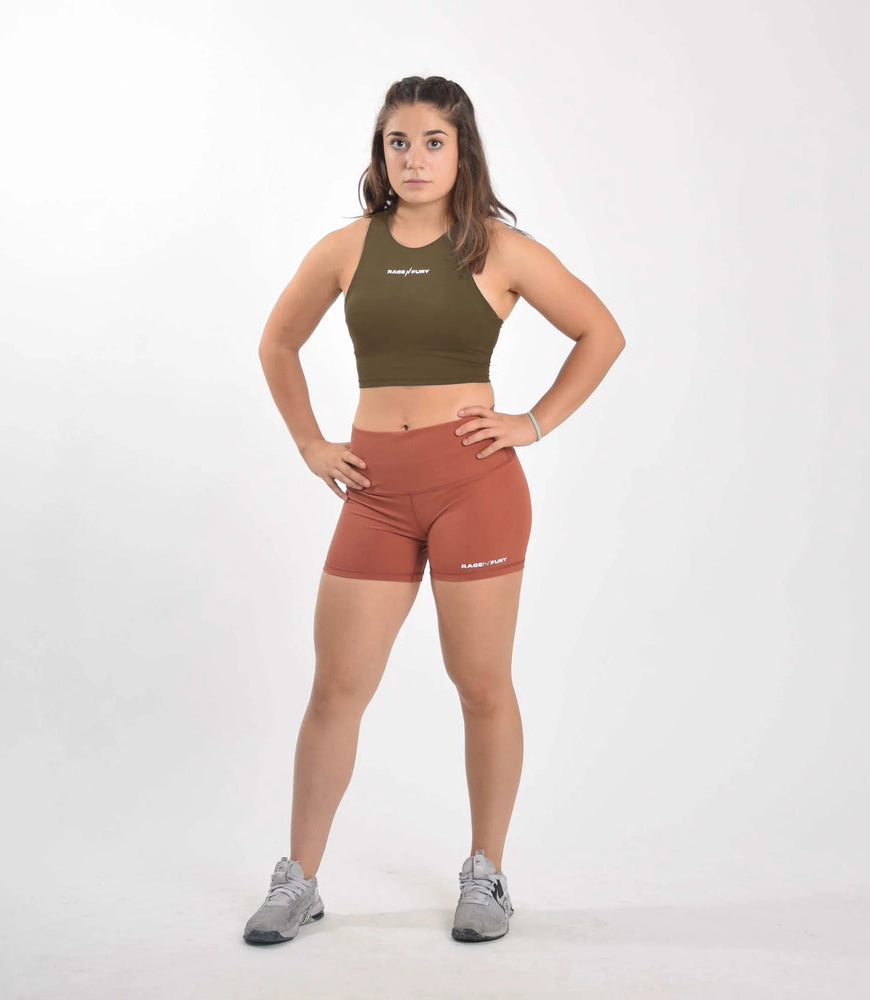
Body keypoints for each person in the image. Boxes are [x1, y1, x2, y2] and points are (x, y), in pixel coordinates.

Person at [245, 75, 625, 945]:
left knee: (481, 684)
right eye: (398, 142)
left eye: (432, 142)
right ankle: (298, 879)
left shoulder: (500, 248)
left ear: (463, 151)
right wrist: (309, 442)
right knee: (337, 688)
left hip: (474, 488)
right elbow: (278, 341)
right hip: (373, 493)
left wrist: (532, 422)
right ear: (380, 153)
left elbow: (601, 333)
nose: (414, 158)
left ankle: (486, 874)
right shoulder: (346, 247)